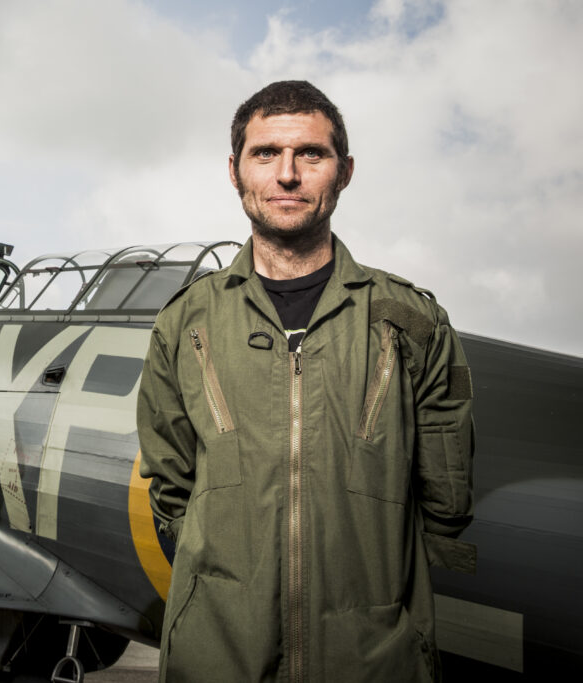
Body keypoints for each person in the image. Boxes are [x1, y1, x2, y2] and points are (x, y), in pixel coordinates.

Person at [137, 81, 475, 682]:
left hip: (376, 661)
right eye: (266, 153)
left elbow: (446, 500)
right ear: (235, 171)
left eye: (311, 154)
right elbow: (171, 490)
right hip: (216, 659)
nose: (287, 174)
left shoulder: (412, 320)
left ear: (344, 172)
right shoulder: (183, 324)